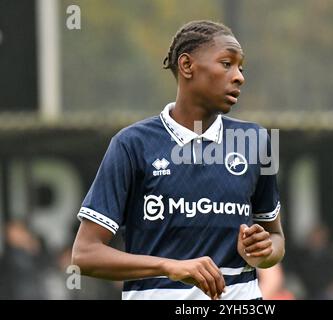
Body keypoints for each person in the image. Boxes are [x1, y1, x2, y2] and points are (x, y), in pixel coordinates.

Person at [72, 20, 285, 300]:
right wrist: (168, 266)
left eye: (241, 68)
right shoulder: (132, 144)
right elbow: (85, 254)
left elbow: (276, 239)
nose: (239, 77)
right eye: (226, 64)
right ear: (187, 66)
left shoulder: (255, 141)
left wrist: (263, 250)